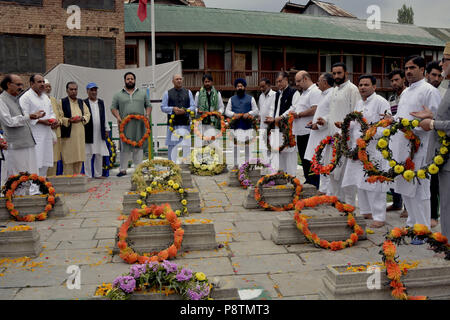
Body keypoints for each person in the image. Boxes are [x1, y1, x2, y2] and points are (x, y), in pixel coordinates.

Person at [391, 55, 441, 243]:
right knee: (405, 186)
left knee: (421, 188)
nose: (409, 71)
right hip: (403, 146)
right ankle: (412, 223)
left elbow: (435, 120)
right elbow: (402, 117)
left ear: (422, 70)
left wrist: (415, 125)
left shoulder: (429, 91)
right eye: (406, 68)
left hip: (421, 147)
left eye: (412, 68)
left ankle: (424, 229)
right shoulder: (405, 92)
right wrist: (393, 122)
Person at [411, 43, 450, 240]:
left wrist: (433, 123)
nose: (442, 65)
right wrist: (430, 116)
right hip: (443, 156)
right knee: (445, 204)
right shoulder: (447, 87)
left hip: (445, 153)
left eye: (445, 61)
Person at [342, 75, 391, 228]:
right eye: (360, 84)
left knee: (374, 183)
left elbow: (386, 126)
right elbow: (356, 125)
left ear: (374, 87)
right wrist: (344, 127)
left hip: (374, 149)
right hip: (357, 148)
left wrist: (370, 134)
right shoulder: (358, 103)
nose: (362, 87)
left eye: (366, 84)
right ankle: (366, 210)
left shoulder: (381, 102)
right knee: (359, 180)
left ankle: (379, 216)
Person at [316, 62, 361, 206]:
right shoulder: (335, 90)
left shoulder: (352, 89)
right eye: (334, 73)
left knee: (345, 171)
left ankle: (348, 202)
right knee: (333, 168)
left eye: (339, 73)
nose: (336, 76)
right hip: (332, 136)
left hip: (346, 137)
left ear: (346, 73)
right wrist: (325, 120)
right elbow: (332, 112)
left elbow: (357, 113)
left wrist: (346, 127)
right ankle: (336, 198)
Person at [0, 74, 45, 178]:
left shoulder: (15, 99)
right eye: (18, 84)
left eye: (21, 84)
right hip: (16, 145)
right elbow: (9, 121)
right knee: (18, 176)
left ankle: (32, 194)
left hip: (27, 142)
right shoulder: (2, 100)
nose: (21, 87)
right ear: (8, 85)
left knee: (32, 173)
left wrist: (32, 116)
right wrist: (29, 117)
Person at [285, 71, 321, 188]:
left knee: (310, 158)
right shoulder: (304, 93)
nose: (297, 84)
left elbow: (314, 109)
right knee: (304, 157)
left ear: (305, 79)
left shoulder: (314, 91)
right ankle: (308, 179)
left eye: (299, 81)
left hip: (308, 131)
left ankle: (314, 181)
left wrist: (299, 115)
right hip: (301, 131)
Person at [111, 72, 152, 176]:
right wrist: (118, 117)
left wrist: (147, 114)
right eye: (128, 79)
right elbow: (113, 107)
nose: (130, 80)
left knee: (138, 147)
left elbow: (148, 105)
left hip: (139, 125)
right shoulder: (118, 94)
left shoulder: (142, 93)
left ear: (135, 80)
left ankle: (138, 169)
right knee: (125, 147)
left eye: (132, 79)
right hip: (125, 125)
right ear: (125, 80)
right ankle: (123, 169)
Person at [19, 74, 57, 177]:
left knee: (45, 161)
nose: (42, 84)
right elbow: (23, 117)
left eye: (43, 82)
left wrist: (53, 120)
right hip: (34, 135)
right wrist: (40, 121)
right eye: (39, 82)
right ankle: (34, 189)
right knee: (36, 162)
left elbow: (51, 112)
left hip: (47, 133)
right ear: (31, 84)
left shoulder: (45, 97)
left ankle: (42, 186)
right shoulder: (26, 97)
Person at [304, 73, 334, 195]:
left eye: (319, 81)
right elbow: (321, 112)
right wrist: (314, 122)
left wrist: (321, 124)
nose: (317, 83)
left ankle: (326, 190)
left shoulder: (332, 94)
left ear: (325, 82)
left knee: (324, 161)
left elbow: (332, 113)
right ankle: (323, 189)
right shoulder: (323, 94)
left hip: (325, 133)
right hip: (318, 132)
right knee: (319, 160)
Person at [265, 72, 297, 176]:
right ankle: (280, 174)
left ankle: (291, 176)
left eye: (280, 81)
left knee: (289, 152)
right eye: (277, 82)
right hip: (276, 127)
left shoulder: (294, 92)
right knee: (278, 151)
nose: (278, 84)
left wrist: (281, 117)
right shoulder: (277, 94)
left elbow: (293, 108)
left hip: (288, 128)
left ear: (286, 80)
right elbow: (272, 108)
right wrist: (271, 118)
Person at [58, 81, 91, 175]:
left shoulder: (81, 102)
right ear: (67, 90)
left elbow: (87, 114)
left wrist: (82, 118)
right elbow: (59, 117)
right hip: (68, 136)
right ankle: (68, 182)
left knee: (79, 159)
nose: (73, 91)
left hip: (79, 135)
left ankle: (77, 181)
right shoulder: (62, 102)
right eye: (71, 89)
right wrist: (68, 120)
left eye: (75, 89)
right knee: (68, 159)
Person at [386, 69, 407, 216]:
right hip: (394, 137)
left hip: (407, 137)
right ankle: (396, 202)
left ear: (403, 79)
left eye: (397, 80)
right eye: (392, 81)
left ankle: (407, 207)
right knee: (393, 169)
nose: (394, 83)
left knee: (406, 170)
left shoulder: (408, 94)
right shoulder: (392, 98)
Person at [225, 78, 259, 167]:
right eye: (238, 86)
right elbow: (226, 111)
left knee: (248, 148)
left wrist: (249, 113)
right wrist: (234, 114)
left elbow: (256, 110)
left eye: (241, 86)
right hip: (235, 127)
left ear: (244, 87)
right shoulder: (231, 99)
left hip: (248, 127)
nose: (240, 88)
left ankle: (247, 166)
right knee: (235, 147)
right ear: (236, 88)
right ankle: (236, 165)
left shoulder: (251, 98)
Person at [425, 61, 444, 228]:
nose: (437, 79)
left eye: (439, 76)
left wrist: (432, 119)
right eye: (433, 75)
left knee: (435, 182)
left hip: (440, 141)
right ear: (427, 75)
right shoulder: (423, 91)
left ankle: (433, 215)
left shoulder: (443, 91)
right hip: (423, 140)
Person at [161, 74, 195, 163]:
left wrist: (185, 110)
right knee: (172, 146)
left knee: (186, 146)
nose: (179, 80)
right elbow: (163, 107)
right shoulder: (167, 93)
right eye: (177, 79)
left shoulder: (189, 92)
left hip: (185, 124)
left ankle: (186, 165)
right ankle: (171, 165)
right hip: (172, 125)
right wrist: (172, 109)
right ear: (173, 81)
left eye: (180, 79)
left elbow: (193, 106)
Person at [84, 83, 110, 179]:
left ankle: (98, 174)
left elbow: (105, 115)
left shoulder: (101, 102)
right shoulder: (84, 102)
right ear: (87, 91)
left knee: (99, 153)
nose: (94, 92)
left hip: (100, 132)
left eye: (95, 90)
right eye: (92, 90)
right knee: (88, 154)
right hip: (88, 132)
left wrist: (107, 128)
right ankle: (88, 175)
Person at [194, 74, 225, 138]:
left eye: (209, 81)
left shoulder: (217, 93)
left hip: (213, 121)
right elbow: (195, 107)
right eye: (206, 82)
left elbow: (221, 107)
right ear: (203, 83)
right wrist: (198, 111)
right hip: (201, 121)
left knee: (212, 141)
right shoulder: (198, 93)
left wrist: (218, 112)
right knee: (201, 141)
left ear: (212, 82)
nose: (207, 83)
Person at [44, 79, 63, 177]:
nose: (48, 88)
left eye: (49, 86)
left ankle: (52, 180)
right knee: (45, 158)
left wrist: (58, 122)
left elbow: (60, 115)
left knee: (55, 158)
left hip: (55, 132)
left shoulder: (53, 100)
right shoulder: (39, 100)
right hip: (44, 133)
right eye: (46, 86)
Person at [258, 78, 276, 160]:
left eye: (263, 87)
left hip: (271, 126)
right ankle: (264, 166)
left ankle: (272, 167)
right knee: (263, 148)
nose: (261, 89)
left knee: (271, 147)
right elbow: (260, 109)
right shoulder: (261, 96)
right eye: (260, 87)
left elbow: (273, 109)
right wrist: (259, 116)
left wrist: (270, 119)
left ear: (269, 86)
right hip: (262, 126)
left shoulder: (275, 95)